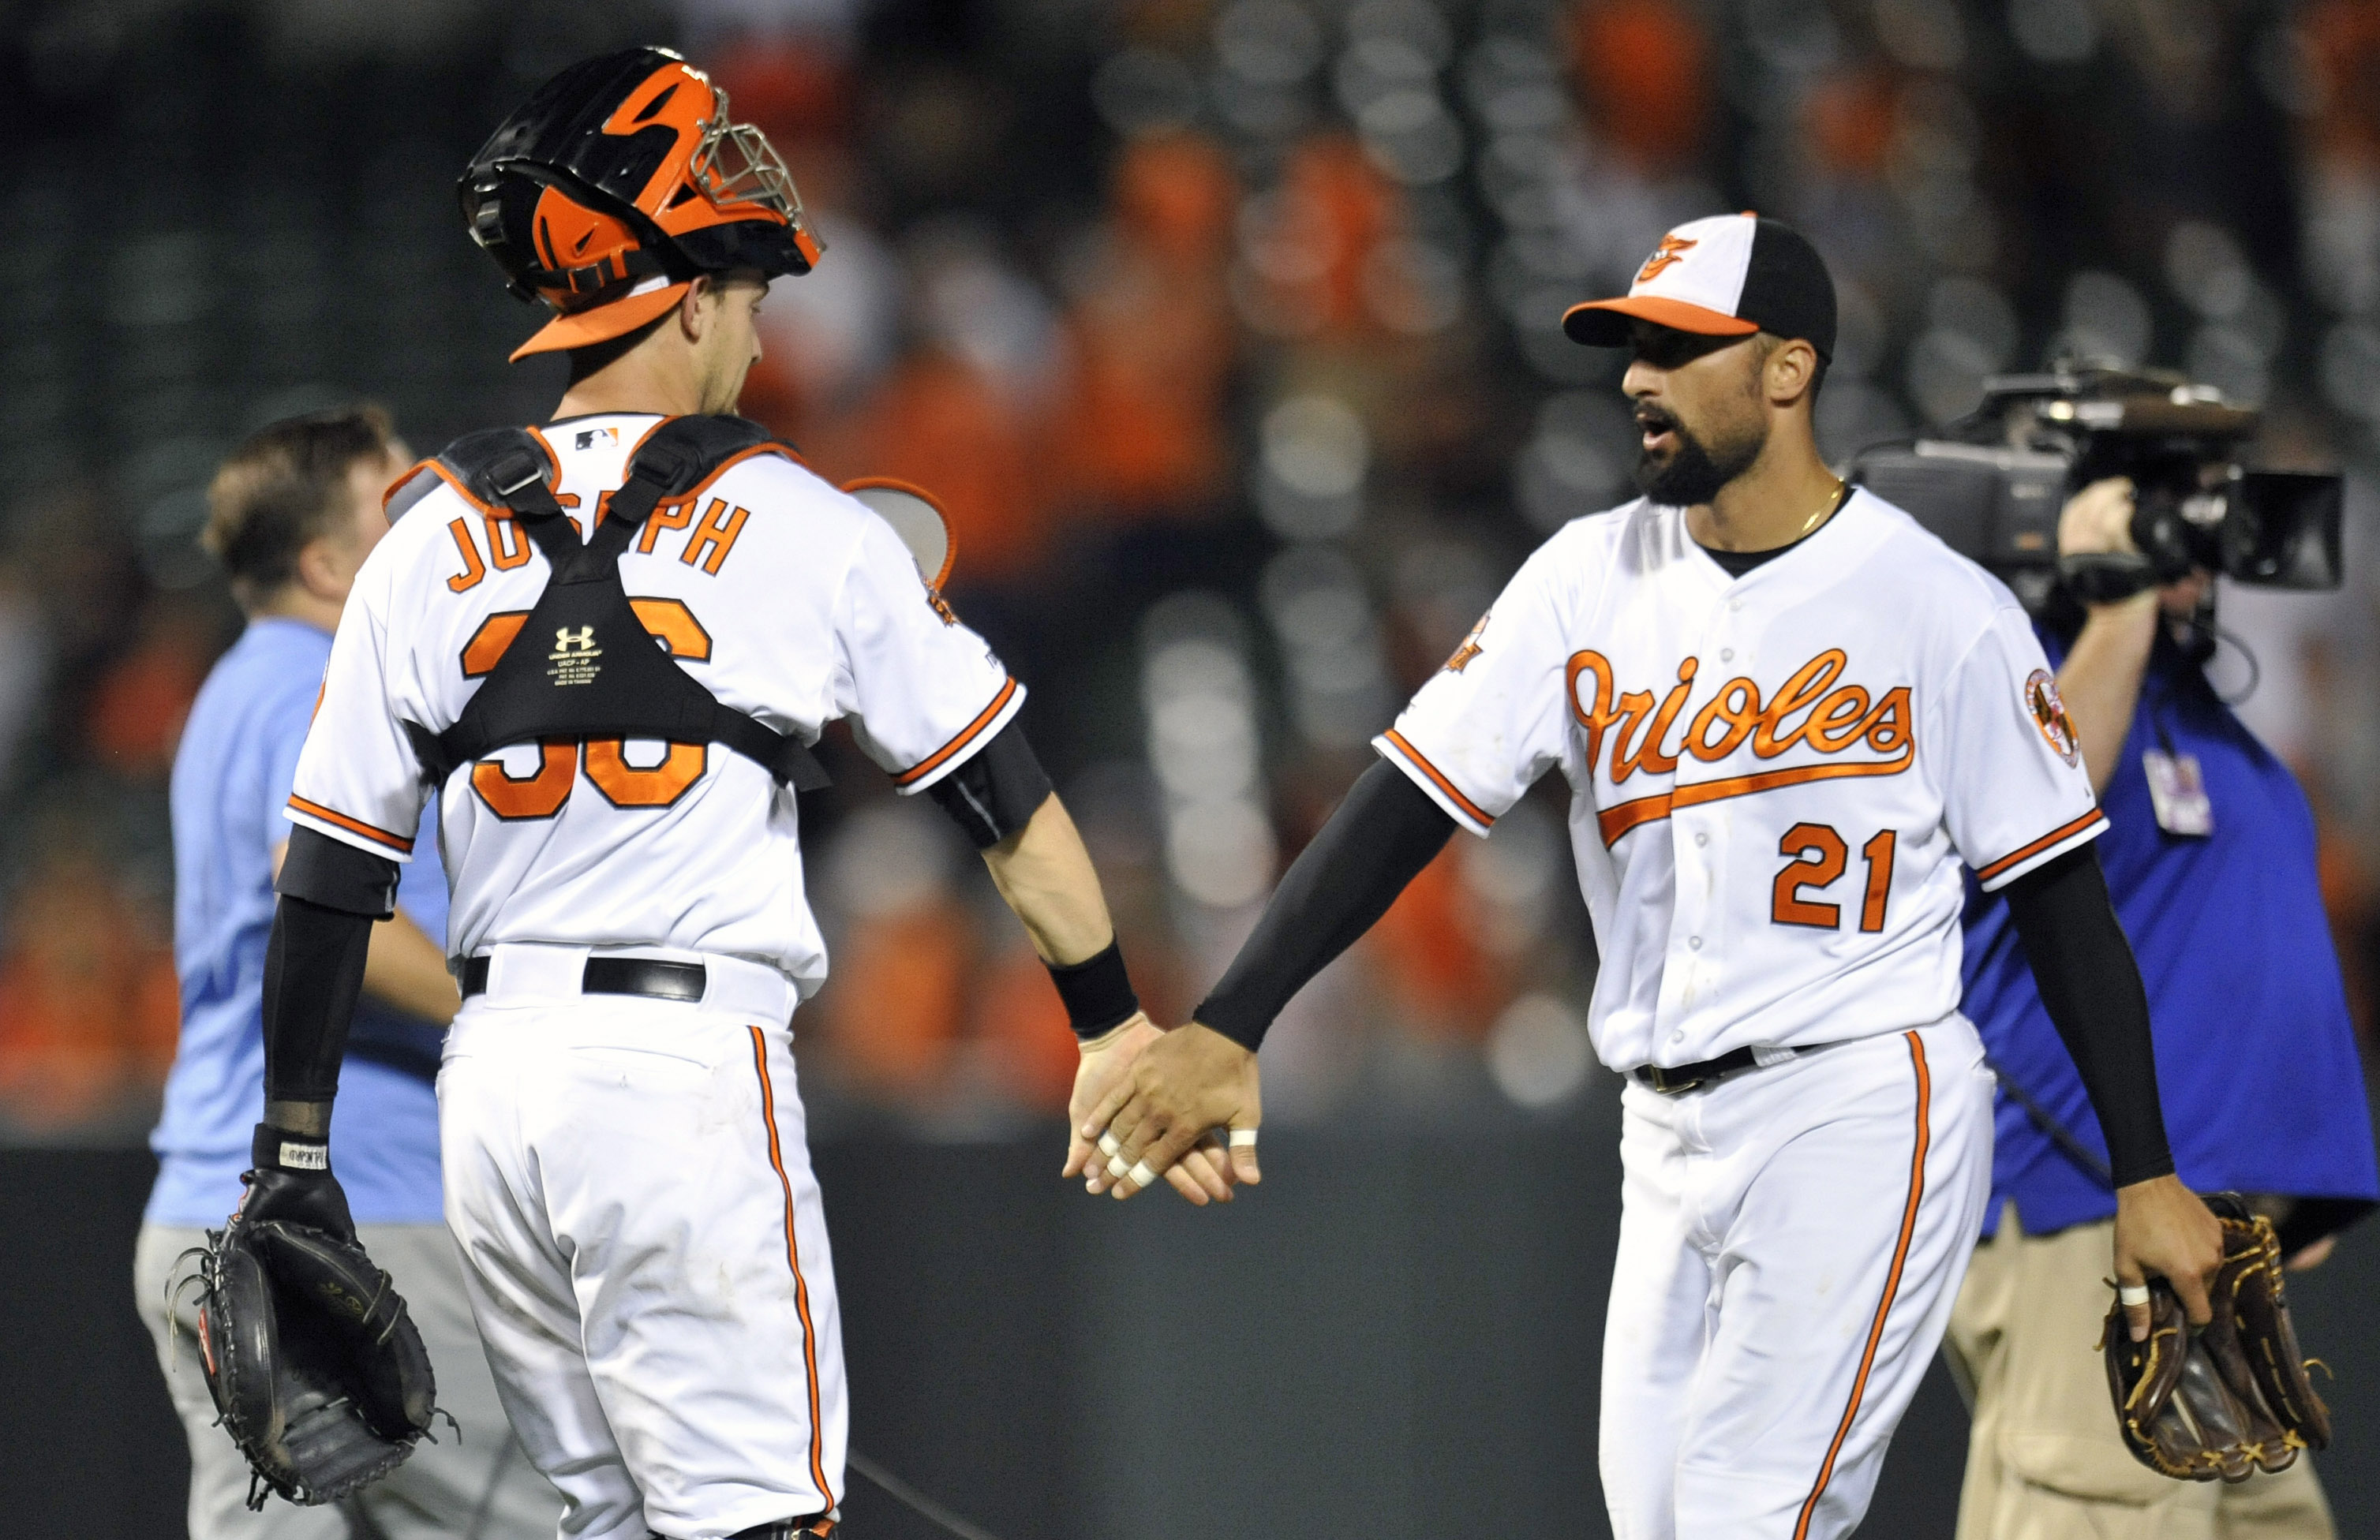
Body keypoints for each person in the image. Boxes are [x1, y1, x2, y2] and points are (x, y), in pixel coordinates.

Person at [1083, 214, 2226, 1540]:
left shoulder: (1940, 607)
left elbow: (2059, 900)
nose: (1637, 378)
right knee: (1661, 1521)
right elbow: (1409, 796)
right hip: (1665, 1129)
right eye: (1631, 348)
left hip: (1857, 1099)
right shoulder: (1588, 576)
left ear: (1788, 370)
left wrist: (2148, 1173)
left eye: (1680, 348)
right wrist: (1234, 1017)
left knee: (1747, 1515)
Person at [230, 49, 1225, 1540]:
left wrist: (291, 1154)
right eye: (750, 296)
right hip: (682, 1072)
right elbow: (1010, 812)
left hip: (493, 1093)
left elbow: (325, 878)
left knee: (606, 1522)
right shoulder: (800, 525)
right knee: (762, 1522)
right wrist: (1111, 1024)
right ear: (689, 297)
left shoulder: (421, 539)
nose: (758, 336)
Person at [137, 406, 561, 1539]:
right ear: (328, 563)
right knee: (535, 1522)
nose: (433, 529)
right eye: (398, 510)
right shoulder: (310, 682)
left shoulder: (237, 684)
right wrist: (503, 1023)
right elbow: (325, 904)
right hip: (356, 1208)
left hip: (204, 1210)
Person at [1945, 474, 2380, 1540]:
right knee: (2091, 1511)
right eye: (2158, 503)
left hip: (2205, 1228)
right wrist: (2122, 598)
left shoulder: (2189, 694)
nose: (2196, 531)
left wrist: (2284, 1165)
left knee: (2261, 1524)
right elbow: (2041, 796)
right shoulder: (2014, 657)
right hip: (2082, 1207)